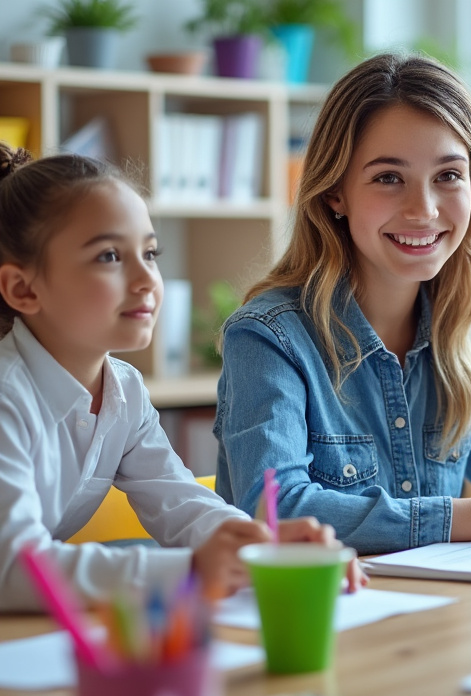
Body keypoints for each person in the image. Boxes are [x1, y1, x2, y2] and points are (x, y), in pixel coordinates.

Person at [214, 52, 471, 555]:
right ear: (335, 193)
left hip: (436, 614)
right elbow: (274, 511)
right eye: (388, 178)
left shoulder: (459, 349)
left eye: (448, 175)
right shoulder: (269, 338)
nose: (424, 210)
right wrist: (468, 518)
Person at [0, 145, 341, 612]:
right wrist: (191, 572)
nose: (146, 279)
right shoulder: (7, 396)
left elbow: (178, 501)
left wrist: (260, 546)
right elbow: (12, 568)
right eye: (108, 257)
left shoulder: (123, 391)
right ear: (23, 288)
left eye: (150, 252)